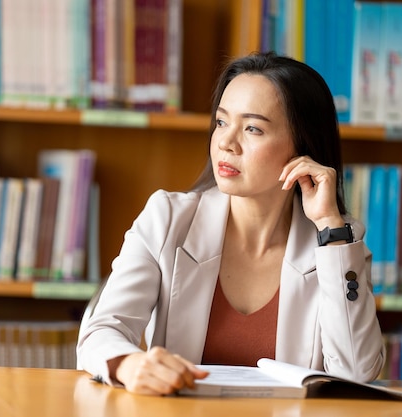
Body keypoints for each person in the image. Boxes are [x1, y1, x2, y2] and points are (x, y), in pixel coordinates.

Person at [77, 51, 385, 395]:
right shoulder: (167, 219)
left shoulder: (335, 242)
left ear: (303, 147)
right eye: (222, 122)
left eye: (252, 128)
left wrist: (331, 225)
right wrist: (130, 365)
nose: (226, 142)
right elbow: (100, 332)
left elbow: (357, 371)